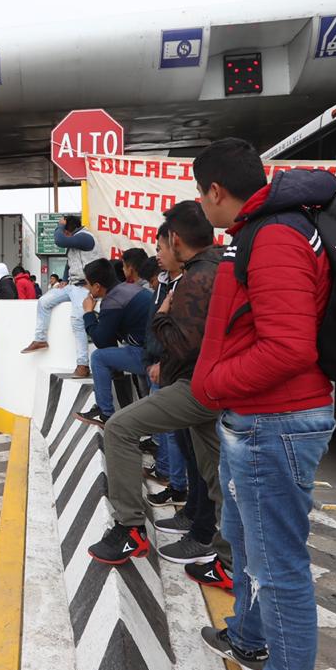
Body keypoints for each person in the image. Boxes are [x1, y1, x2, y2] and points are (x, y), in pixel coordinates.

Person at [191, 138, 336, 670]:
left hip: (273, 423)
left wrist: (212, 385)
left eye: (200, 194)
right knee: (248, 545)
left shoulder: (274, 236)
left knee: (278, 568)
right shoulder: (258, 230)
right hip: (256, 420)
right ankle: (250, 638)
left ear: (215, 191)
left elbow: (289, 348)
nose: (200, 204)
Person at [83, 201, 230, 582]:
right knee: (217, 474)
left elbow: (180, 344)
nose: (159, 255)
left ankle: (129, 528)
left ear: (176, 240)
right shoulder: (219, 267)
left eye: (161, 246)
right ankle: (230, 560)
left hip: (196, 386)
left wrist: (163, 314)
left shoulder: (197, 279)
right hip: (213, 385)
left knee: (119, 428)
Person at [20, 215, 107, 378]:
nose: (62, 233)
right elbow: (70, 262)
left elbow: (59, 240)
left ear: (68, 230)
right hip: (73, 285)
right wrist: (65, 279)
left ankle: (83, 365)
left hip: (87, 286)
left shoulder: (85, 237)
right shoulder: (75, 241)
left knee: (77, 321)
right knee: (44, 301)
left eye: (64, 230)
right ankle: (40, 339)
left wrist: (60, 226)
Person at [140, 230, 189, 507]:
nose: (157, 255)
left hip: (170, 368)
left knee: (173, 430)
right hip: (156, 364)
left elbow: (181, 333)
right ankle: (171, 477)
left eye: (161, 249)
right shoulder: (162, 283)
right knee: (166, 429)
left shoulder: (186, 285)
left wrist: (162, 362)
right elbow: (153, 325)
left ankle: (176, 483)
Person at [73, 258, 152, 426]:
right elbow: (109, 339)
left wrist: (88, 313)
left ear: (97, 286)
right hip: (155, 350)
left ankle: (105, 413)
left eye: (87, 284)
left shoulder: (112, 301)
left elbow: (101, 341)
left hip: (150, 355)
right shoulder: (129, 288)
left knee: (98, 357)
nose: (86, 288)